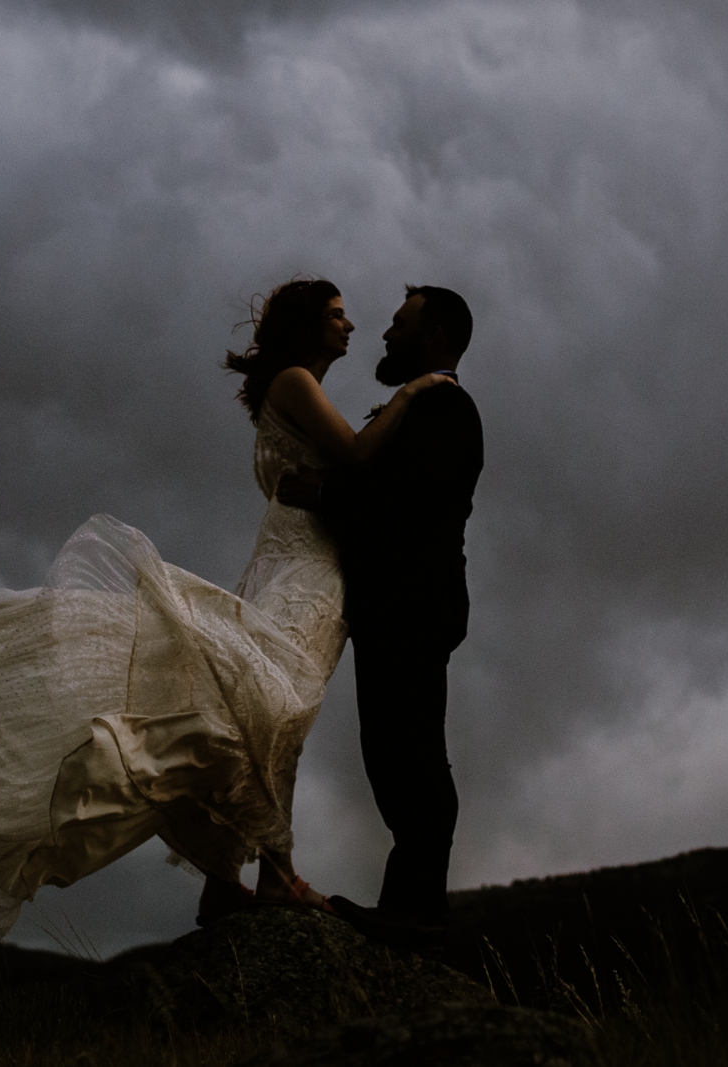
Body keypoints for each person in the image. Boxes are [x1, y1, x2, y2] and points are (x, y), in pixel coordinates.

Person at [0, 278, 452, 943]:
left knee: (261, 703)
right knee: (275, 701)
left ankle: (228, 880)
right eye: (337, 316)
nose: (351, 326)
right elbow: (354, 457)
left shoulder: (295, 386)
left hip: (297, 560)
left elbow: (332, 473)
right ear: (307, 325)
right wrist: (412, 392)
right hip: (305, 568)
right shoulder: (293, 380)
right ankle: (269, 874)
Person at [279, 285, 482, 955]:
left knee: (412, 758)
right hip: (397, 607)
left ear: (434, 338)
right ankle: (408, 908)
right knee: (396, 757)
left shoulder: (447, 408)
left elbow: (410, 501)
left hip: (414, 605)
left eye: (399, 325)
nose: (385, 336)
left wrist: (322, 491)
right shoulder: (423, 406)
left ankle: (417, 911)